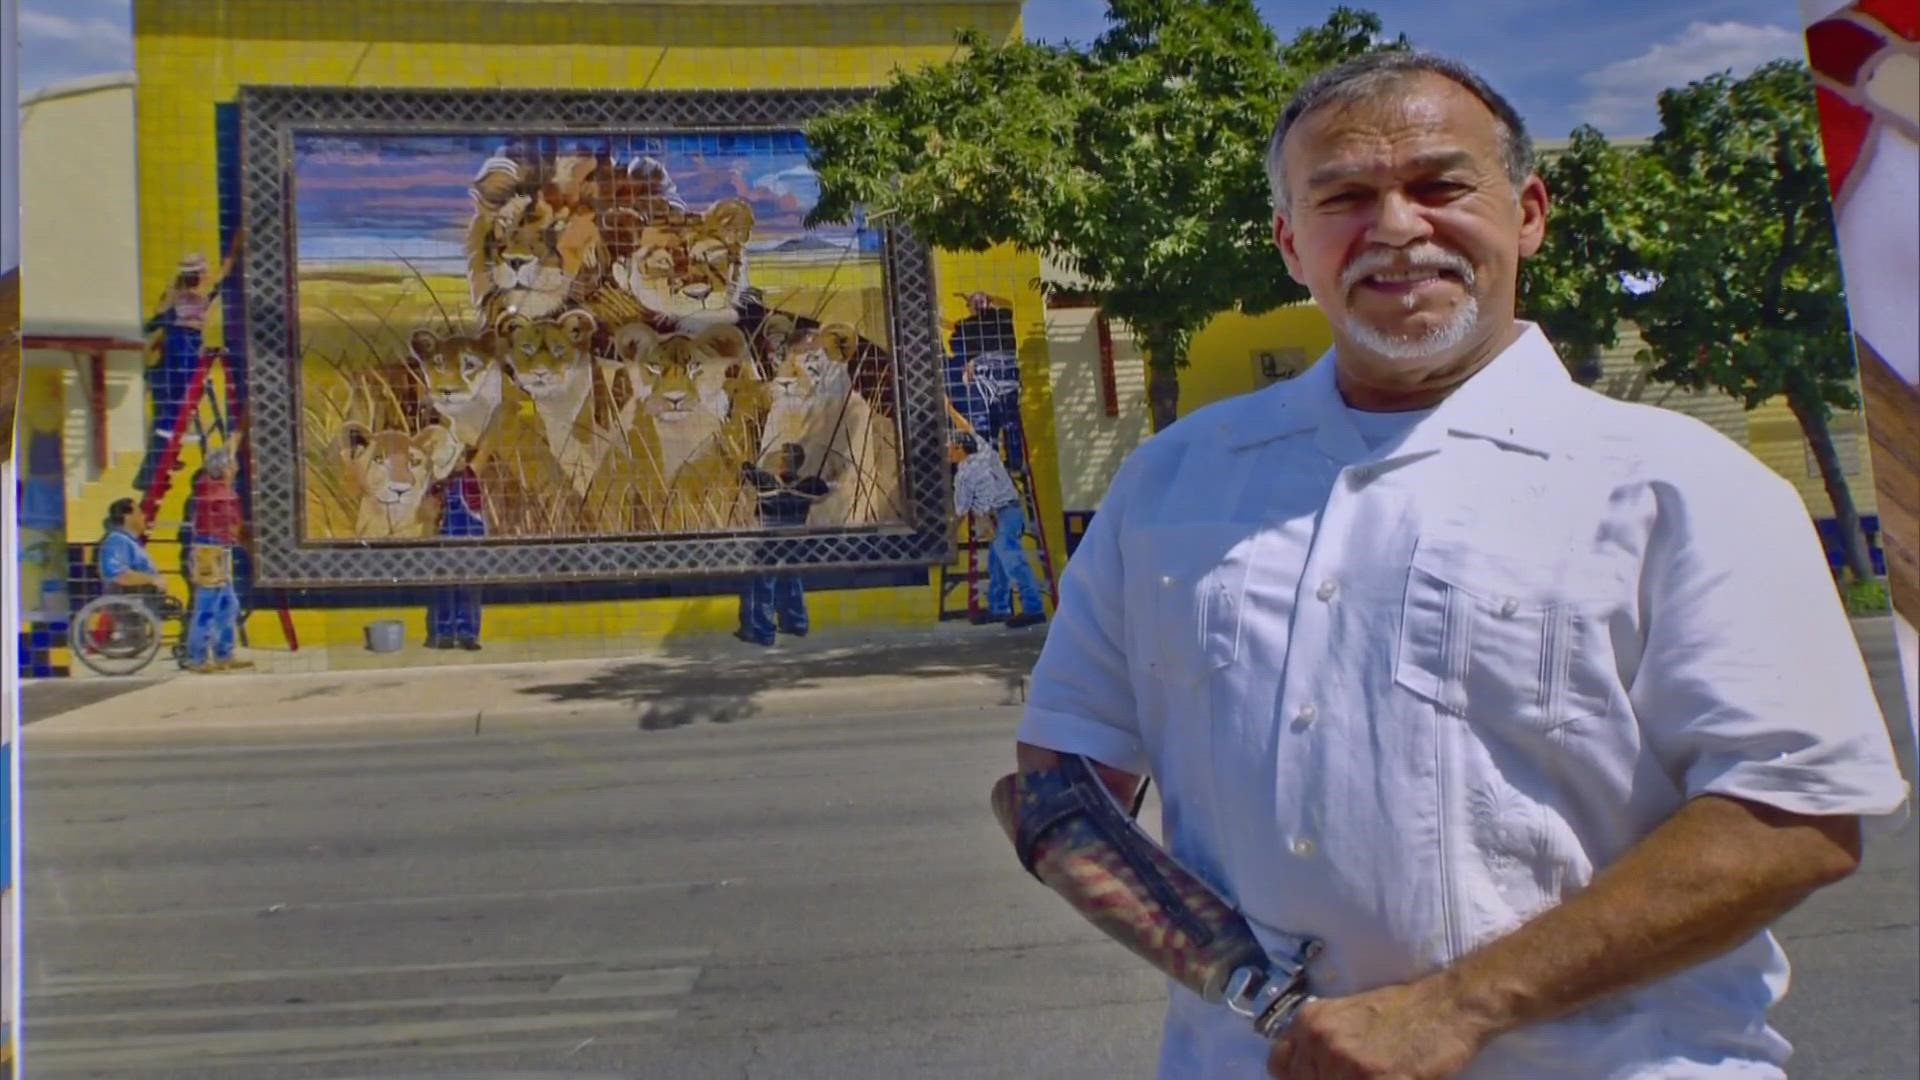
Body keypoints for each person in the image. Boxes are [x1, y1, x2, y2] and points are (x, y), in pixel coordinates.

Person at [1013, 51, 1907, 1080]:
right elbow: (1058, 788)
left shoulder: (1681, 484)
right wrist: (1247, 992)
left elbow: (1792, 816)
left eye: (1440, 185)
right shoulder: (1172, 486)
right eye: (1344, 197)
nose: (1395, 227)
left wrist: (1456, 1008)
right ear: (1289, 242)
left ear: (1527, 212)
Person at [137, 237, 241, 493]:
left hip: (179, 346)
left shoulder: (181, 294)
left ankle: (159, 464)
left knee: (172, 410)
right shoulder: (191, 293)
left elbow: (159, 318)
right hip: (183, 347)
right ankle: (157, 465)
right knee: (176, 407)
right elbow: (223, 271)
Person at [734, 443, 830, 647]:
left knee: (764, 586)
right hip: (794, 542)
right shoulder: (809, 485)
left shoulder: (767, 482)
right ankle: (796, 623)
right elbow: (825, 490)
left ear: (779, 463)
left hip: (768, 543)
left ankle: (764, 632)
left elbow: (746, 468)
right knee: (792, 581)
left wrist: (745, 461)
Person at [952, 432, 1046, 629]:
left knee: (1013, 561)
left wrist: (949, 408)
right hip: (996, 514)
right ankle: (999, 608)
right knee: (997, 563)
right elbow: (963, 507)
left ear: (961, 448)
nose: (948, 450)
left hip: (1007, 511)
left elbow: (963, 509)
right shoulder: (965, 472)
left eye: (951, 446)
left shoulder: (985, 457)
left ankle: (1034, 608)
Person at [185, 444, 251, 673]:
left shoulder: (209, 489)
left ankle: (223, 653)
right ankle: (198, 657)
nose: (235, 470)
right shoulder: (220, 495)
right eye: (231, 466)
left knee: (227, 604)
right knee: (207, 606)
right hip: (210, 552)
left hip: (217, 551)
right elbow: (233, 527)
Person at [426, 455, 485, 651]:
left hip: (469, 547)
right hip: (444, 547)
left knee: (468, 591)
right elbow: (428, 511)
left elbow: (476, 510)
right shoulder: (439, 484)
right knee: (445, 590)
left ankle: (467, 634)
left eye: (460, 457)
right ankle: (445, 634)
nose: (456, 462)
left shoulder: (469, 482)